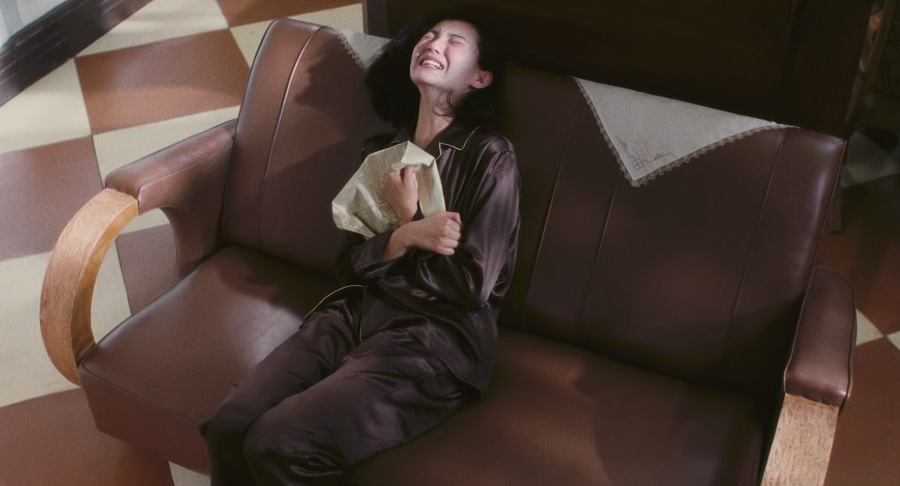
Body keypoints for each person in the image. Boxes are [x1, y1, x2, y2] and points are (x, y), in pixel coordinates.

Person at [200, 11, 520, 486]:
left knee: (279, 441)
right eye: (429, 34)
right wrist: (407, 234)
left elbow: (471, 286)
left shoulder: (490, 157)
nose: (434, 42)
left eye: (455, 40)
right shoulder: (381, 156)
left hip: (432, 338)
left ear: (480, 77)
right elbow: (348, 266)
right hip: (351, 315)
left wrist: (407, 219)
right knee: (229, 425)